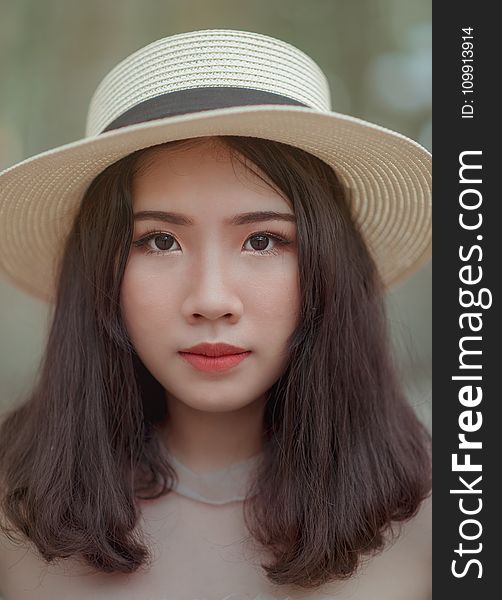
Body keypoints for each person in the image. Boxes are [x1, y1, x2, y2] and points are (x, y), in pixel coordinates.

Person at [0, 29, 432, 599]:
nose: (210, 300)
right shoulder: (13, 513)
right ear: (100, 270)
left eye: (261, 241)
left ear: (328, 265)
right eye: (158, 241)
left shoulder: (448, 516)